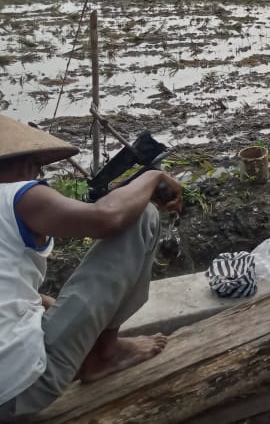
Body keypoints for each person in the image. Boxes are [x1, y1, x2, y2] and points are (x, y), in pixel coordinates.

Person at [0, 115, 182, 420]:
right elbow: (106, 219)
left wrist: (56, 310)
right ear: (23, 165)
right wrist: (149, 178)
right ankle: (104, 352)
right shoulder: (17, 195)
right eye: (36, 166)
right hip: (18, 389)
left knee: (46, 302)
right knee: (140, 219)